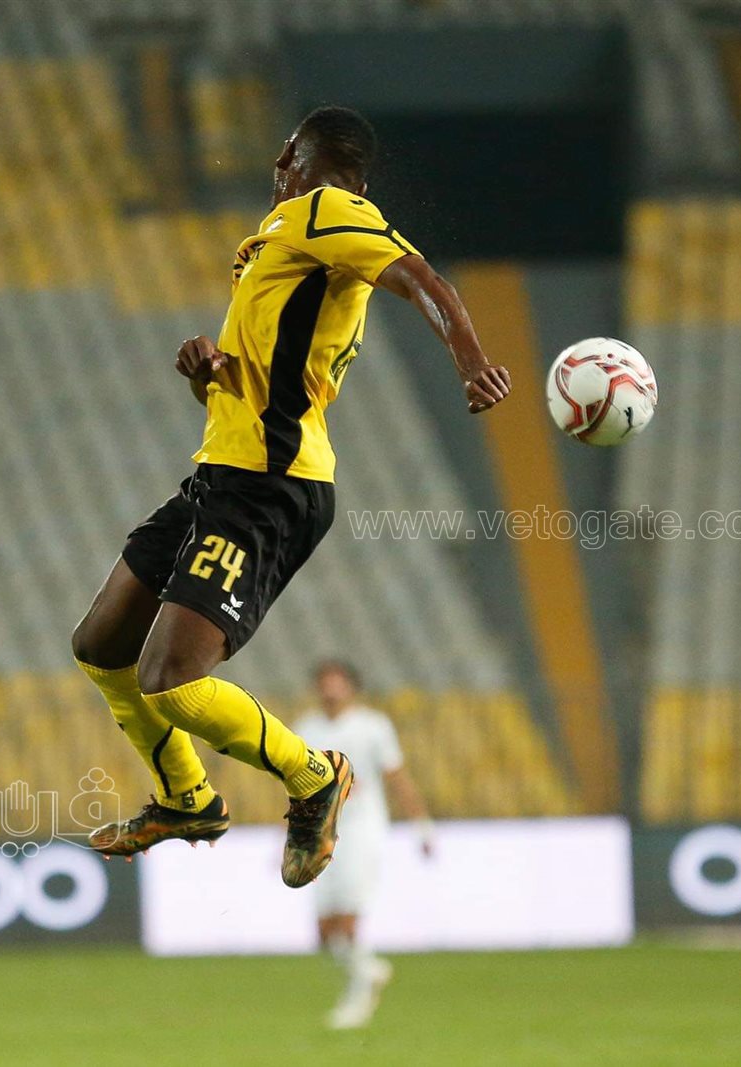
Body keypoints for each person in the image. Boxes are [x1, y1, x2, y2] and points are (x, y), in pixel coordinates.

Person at [69, 106, 510, 888]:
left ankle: (315, 776)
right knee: (102, 644)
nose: (278, 165)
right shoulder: (278, 245)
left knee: (170, 676)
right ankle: (185, 799)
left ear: (307, 161)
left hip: (269, 486)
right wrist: (211, 372)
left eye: (290, 153)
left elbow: (420, 278)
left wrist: (472, 362)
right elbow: (264, 378)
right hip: (220, 473)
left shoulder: (329, 209)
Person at [290, 660, 434, 1029]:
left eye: (337, 682)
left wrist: (421, 825)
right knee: (324, 932)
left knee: (348, 918)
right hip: (320, 832)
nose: (330, 689)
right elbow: (297, 787)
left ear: (352, 687)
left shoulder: (373, 726)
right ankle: (368, 969)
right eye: (324, 682)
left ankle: (359, 996)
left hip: (361, 829)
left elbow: (396, 777)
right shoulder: (306, 729)